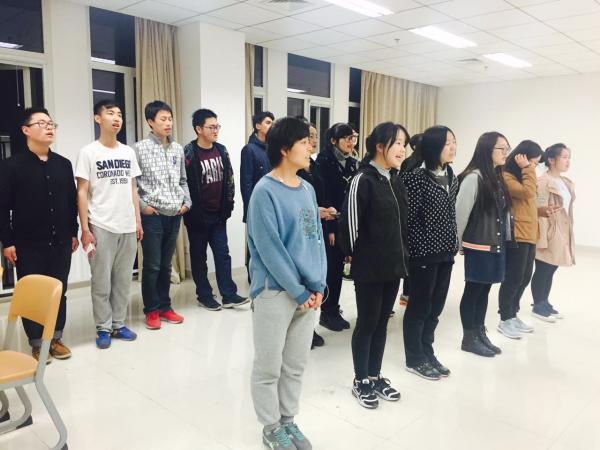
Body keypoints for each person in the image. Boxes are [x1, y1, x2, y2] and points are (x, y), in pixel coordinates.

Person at [248, 117, 326, 450]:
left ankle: (288, 420)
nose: (310, 148)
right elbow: (269, 249)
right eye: (304, 142)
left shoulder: (307, 189)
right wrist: (298, 290)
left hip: (308, 293)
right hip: (275, 291)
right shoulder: (264, 191)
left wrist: (318, 285)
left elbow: (316, 241)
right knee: (269, 367)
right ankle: (270, 427)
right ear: (284, 148)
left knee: (295, 365)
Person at [339, 122, 410, 409]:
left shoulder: (394, 179)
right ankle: (360, 380)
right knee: (367, 322)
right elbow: (349, 224)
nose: (402, 150)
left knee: (382, 323)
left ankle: (374, 375)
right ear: (380, 146)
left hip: (393, 265)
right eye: (397, 143)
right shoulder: (363, 179)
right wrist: (353, 257)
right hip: (369, 266)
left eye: (404, 144)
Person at [0, 107, 78, 362]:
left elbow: (71, 202)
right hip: (27, 243)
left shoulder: (63, 164)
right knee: (33, 293)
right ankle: (36, 342)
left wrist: (74, 232)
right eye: (42, 123)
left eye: (51, 123)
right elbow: (2, 207)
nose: (49, 127)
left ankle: (54, 338)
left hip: (61, 241)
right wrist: (7, 242)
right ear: (26, 130)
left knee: (58, 290)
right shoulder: (11, 166)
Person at [75, 100, 143, 349]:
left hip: (127, 224)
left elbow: (133, 189)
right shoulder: (88, 152)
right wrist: (85, 228)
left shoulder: (128, 152)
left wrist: (137, 220)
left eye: (120, 114)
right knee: (101, 280)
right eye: (110, 113)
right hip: (100, 223)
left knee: (123, 279)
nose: (116, 118)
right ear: (98, 118)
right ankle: (103, 327)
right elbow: (82, 191)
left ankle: (118, 323)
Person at [402, 126, 458, 380]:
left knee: (436, 307)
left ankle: (427, 351)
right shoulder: (416, 177)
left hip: (446, 251)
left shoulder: (451, 175)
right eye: (447, 143)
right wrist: (411, 251)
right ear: (434, 146)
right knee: (420, 306)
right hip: (423, 252)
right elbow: (408, 219)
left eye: (454, 142)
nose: (453, 147)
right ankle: (414, 358)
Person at [134, 100, 191, 330]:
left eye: (170, 119)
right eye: (163, 119)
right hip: (152, 214)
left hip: (174, 213)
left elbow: (183, 179)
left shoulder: (177, 148)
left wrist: (187, 202)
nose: (168, 123)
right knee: (152, 265)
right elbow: (132, 183)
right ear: (150, 122)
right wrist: (142, 206)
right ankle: (151, 310)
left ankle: (165, 307)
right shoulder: (139, 149)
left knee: (166, 265)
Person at [183, 108, 247, 311]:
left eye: (217, 126)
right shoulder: (188, 152)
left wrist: (229, 204)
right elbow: (183, 183)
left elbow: (230, 178)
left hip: (218, 215)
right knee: (199, 257)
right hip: (197, 216)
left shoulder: (221, 150)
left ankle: (228, 294)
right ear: (198, 129)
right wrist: (189, 209)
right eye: (211, 127)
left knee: (222, 254)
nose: (215, 130)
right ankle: (204, 295)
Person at [456, 132, 513, 358]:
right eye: (502, 148)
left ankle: (479, 333)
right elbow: (460, 214)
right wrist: (457, 243)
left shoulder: (496, 177)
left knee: (484, 291)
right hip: (478, 245)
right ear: (487, 149)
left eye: (507, 148)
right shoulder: (474, 177)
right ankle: (468, 338)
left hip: (494, 245)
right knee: (473, 291)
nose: (506, 153)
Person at [496, 140, 544, 338]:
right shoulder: (506, 176)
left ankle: (512, 314)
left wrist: (542, 211)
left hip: (530, 234)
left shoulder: (525, 176)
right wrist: (527, 169)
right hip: (517, 234)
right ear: (520, 157)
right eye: (533, 161)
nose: (534, 166)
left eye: (535, 164)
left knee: (524, 277)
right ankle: (505, 319)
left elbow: (528, 201)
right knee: (513, 277)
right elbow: (527, 192)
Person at [315, 123, 358, 332]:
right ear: (333, 141)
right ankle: (327, 311)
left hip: (344, 222)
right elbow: (323, 196)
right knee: (331, 270)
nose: (351, 142)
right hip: (329, 223)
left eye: (353, 137)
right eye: (346, 138)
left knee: (339, 268)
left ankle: (334, 308)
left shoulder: (352, 162)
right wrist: (331, 227)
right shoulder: (323, 161)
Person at [297, 121, 333, 350]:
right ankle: (302, 332)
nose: (312, 142)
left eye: (313, 137)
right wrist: (313, 213)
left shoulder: (313, 167)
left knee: (313, 280)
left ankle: (309, 328)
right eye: (306, 138)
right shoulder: (271, 187)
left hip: (315, 229)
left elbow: (316, 200)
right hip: (302, 237)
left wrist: (322, 213)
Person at [531, 143, 575, 322]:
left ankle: (544, 302)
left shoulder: (565, 182)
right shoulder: (543, 182)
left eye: (568, 157)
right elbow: (539, 209)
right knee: (544, 268)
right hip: (549, 230)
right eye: (564, 157)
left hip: (562, 231)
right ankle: (538, 305)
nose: (567, 161)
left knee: (552, 268)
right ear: (551, 159)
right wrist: (543, 238)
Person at [241, 111, 274, 283]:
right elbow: (246, 183)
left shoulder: (272, 148)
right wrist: (249, 210)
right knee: (255, 244)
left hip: (272, 204)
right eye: (268, 122)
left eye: (272, 122)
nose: (271, 125)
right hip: (256, 206)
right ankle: (253, 279)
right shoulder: (249, 149)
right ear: (258, 126)